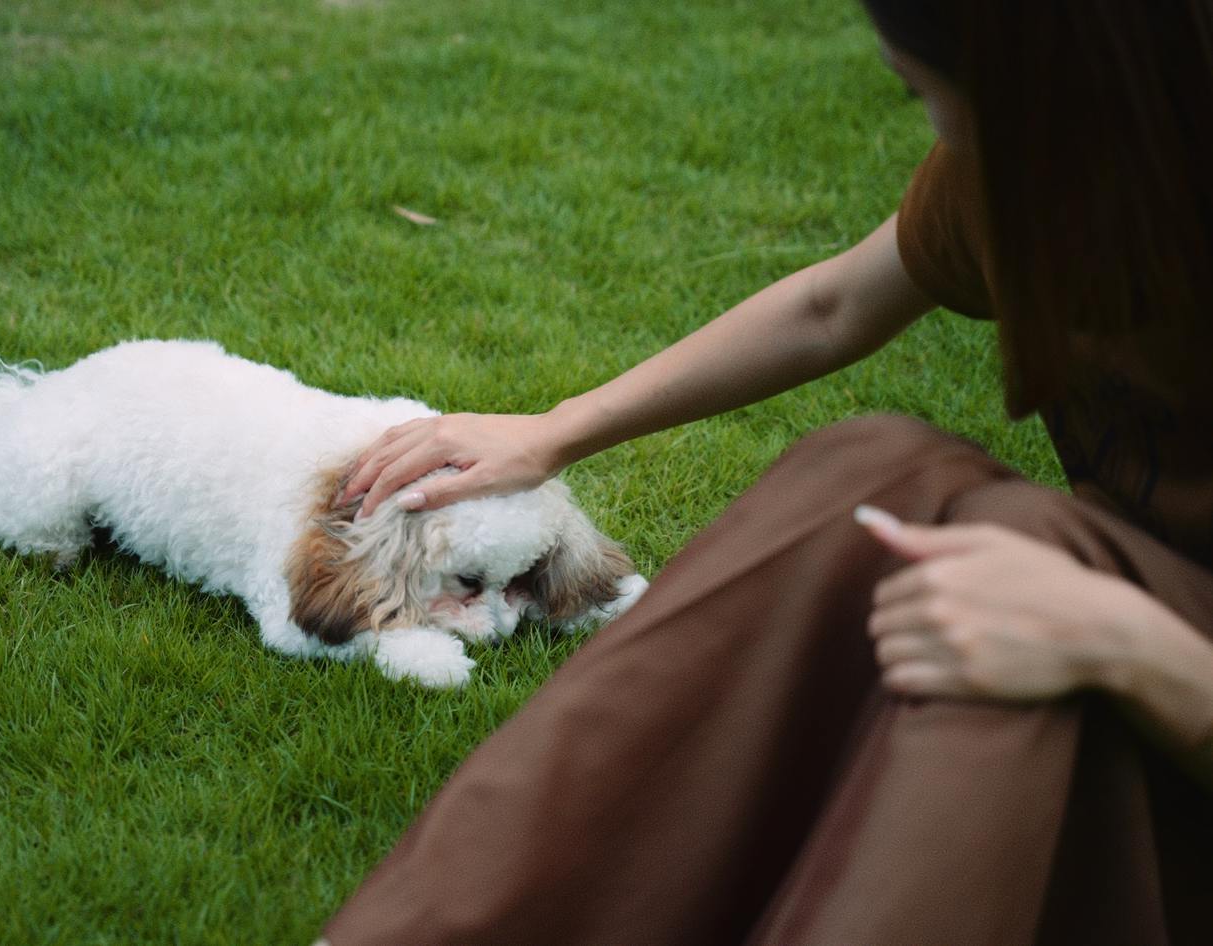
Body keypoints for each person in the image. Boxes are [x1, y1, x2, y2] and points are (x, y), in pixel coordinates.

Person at [318, 1, 1213, 943]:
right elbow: (834, 305)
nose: (936, 131)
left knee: (1026, 552)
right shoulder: (1030, 178)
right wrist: (554, 432)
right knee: (874, 471)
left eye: (926, 94)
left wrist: (1122, 640)